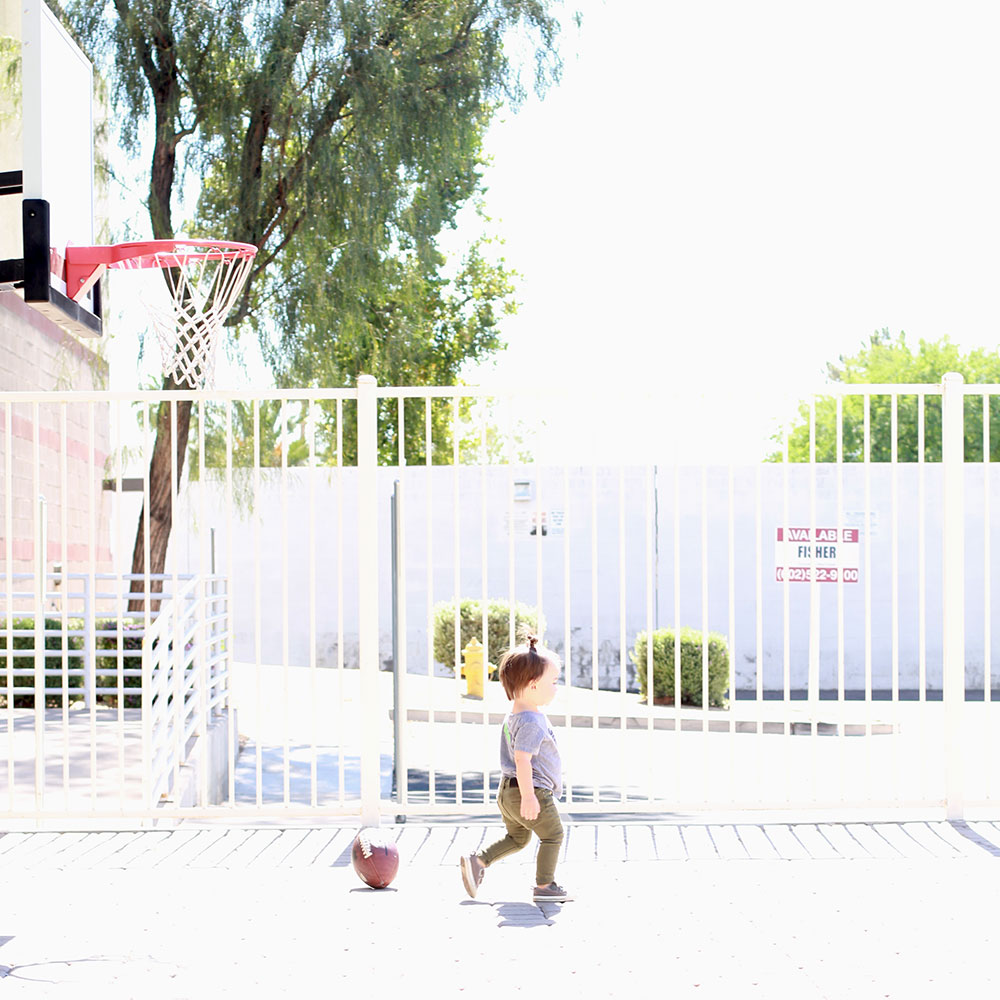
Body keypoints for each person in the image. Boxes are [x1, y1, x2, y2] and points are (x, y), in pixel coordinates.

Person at [460, 634, 571, 902]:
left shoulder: (515, 716)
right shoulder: (532, 721)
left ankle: (479, 862)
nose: (557, 688)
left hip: (507, 793)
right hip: (528, 791)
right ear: (533, 686)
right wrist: (531, 796)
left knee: (518, 838)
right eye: (553, 682)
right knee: (553, 835)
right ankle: (545, 887)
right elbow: (523, 759)